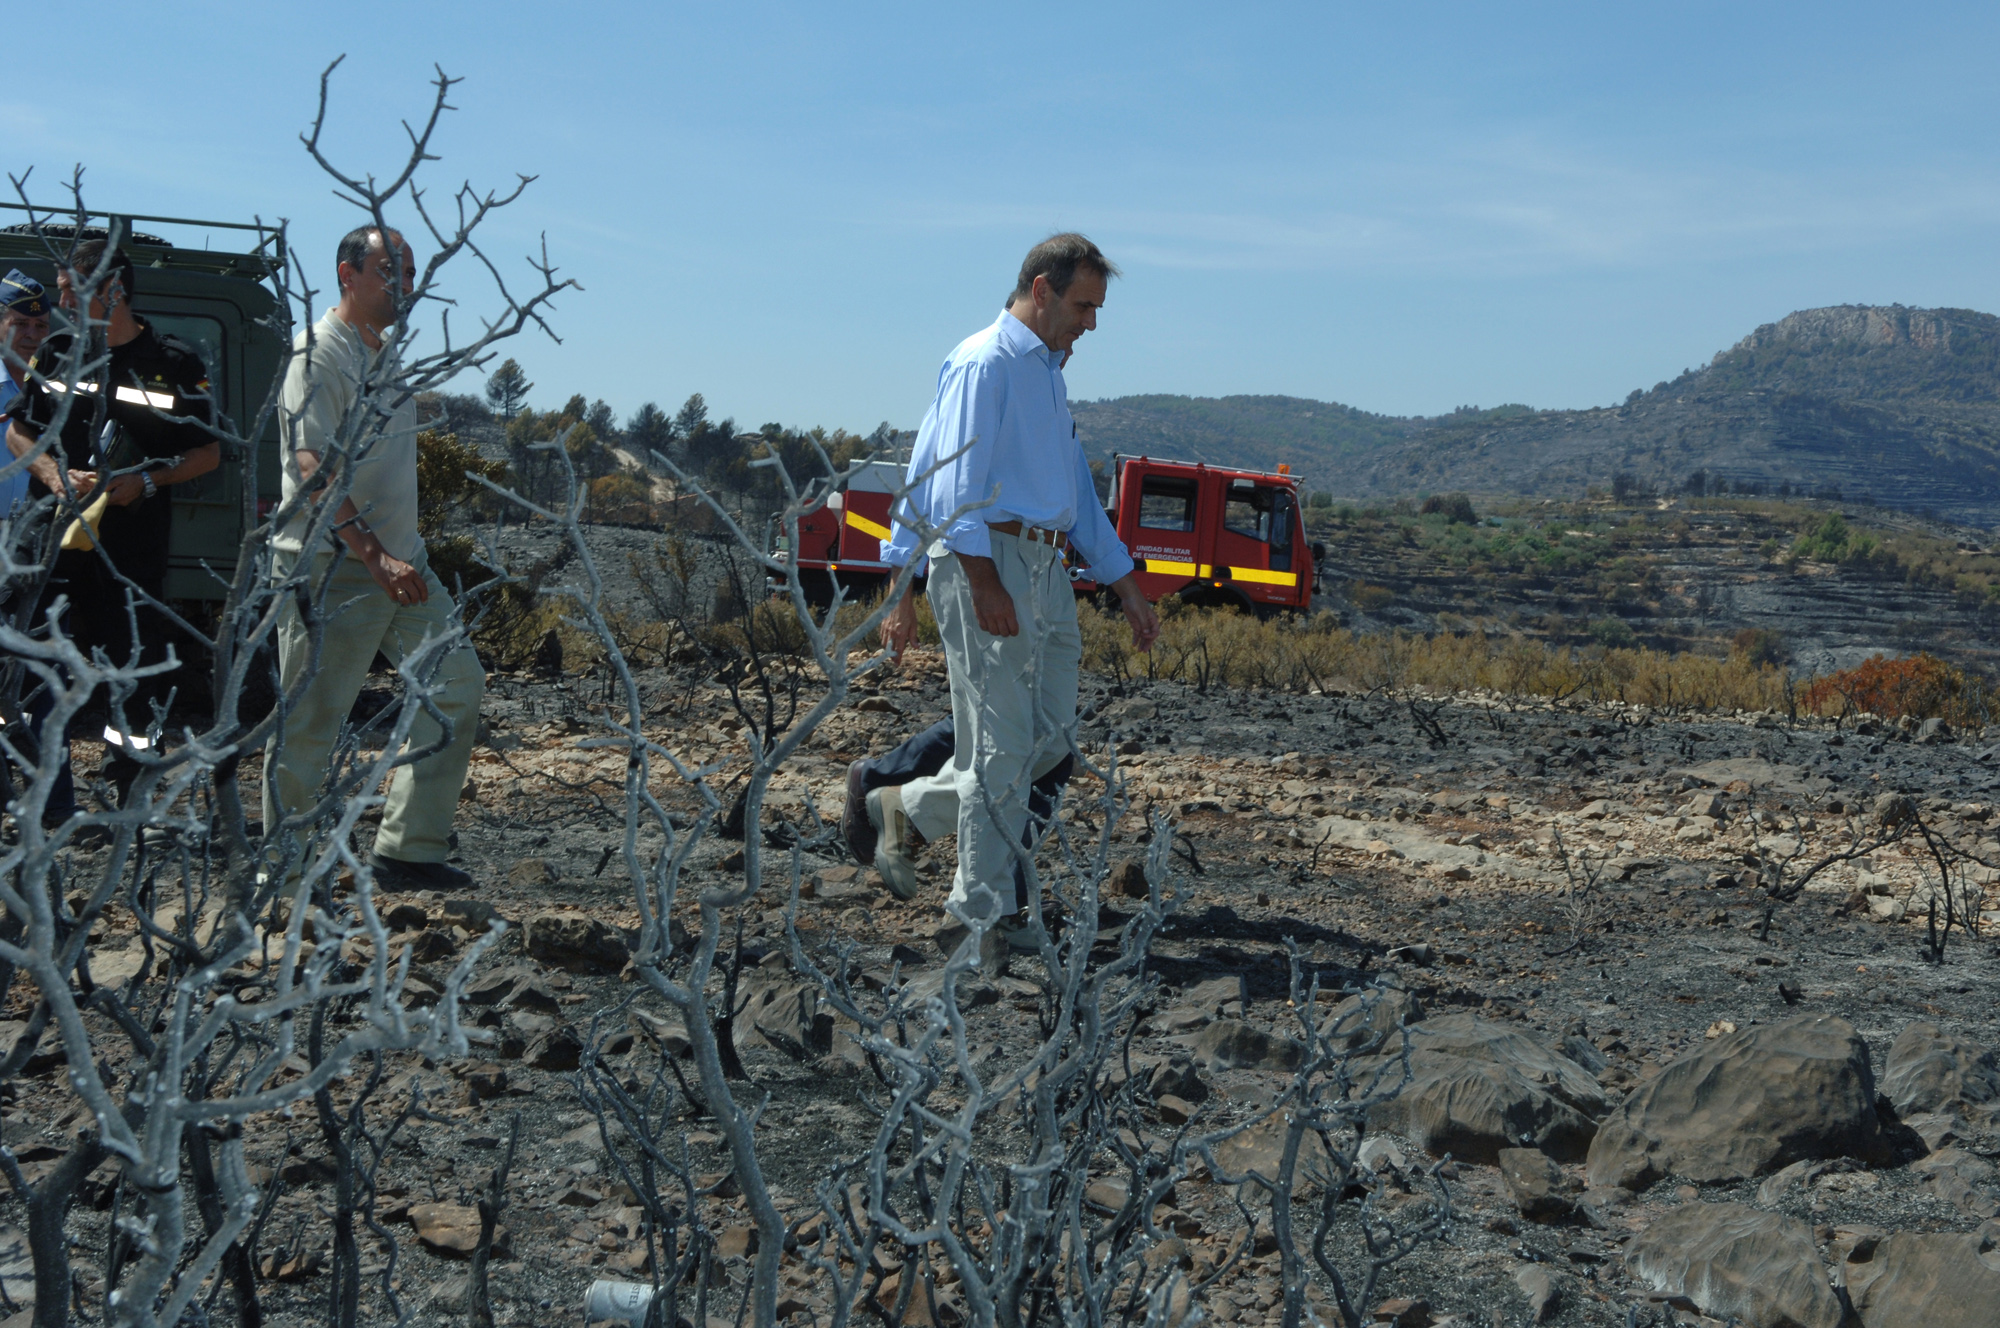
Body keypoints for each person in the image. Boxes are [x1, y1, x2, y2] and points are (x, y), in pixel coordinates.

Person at [873, 233, 1159, 952]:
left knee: (1051, 741)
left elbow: (1077, 496)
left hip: (1046, 568)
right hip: (988, 561)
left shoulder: (1048, 376)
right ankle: (980, 917)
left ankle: (908, 809)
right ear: (1041, 290)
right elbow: (943, 481)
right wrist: (972, 581)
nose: (1091, 323)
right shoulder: (985, 363)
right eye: (1083, 306)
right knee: (1000, 749)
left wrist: (1126, 585)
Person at [260, 224, 484, 891]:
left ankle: (409, 850)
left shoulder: (382, 356)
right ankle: (285, 881)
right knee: (310, 722)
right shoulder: (316, 355)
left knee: (455, 686)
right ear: (347, 274)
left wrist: (395, 556)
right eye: (390, 271)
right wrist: (375, 555)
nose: (404, 285)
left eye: (409, 272)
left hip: (402, 564)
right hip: (330, 568)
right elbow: (312, 466)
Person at [4, 241, 220, 812]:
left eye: (71, 289)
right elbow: (19, 432)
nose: (61, 302)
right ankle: (42, 805)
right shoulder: (58, 353)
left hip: (128, 555)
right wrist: (52, 473)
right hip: (52, 547)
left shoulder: (174, 363)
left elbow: (208, 454)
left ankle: (129, 807)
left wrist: (145, 481)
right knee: (31, 675)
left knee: (133, 680)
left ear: (114, 289)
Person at [0, 269, 50, 516]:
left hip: (34, 532)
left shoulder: (61, 392)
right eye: (20, 324)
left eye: (40, 325)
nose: (32, 334)